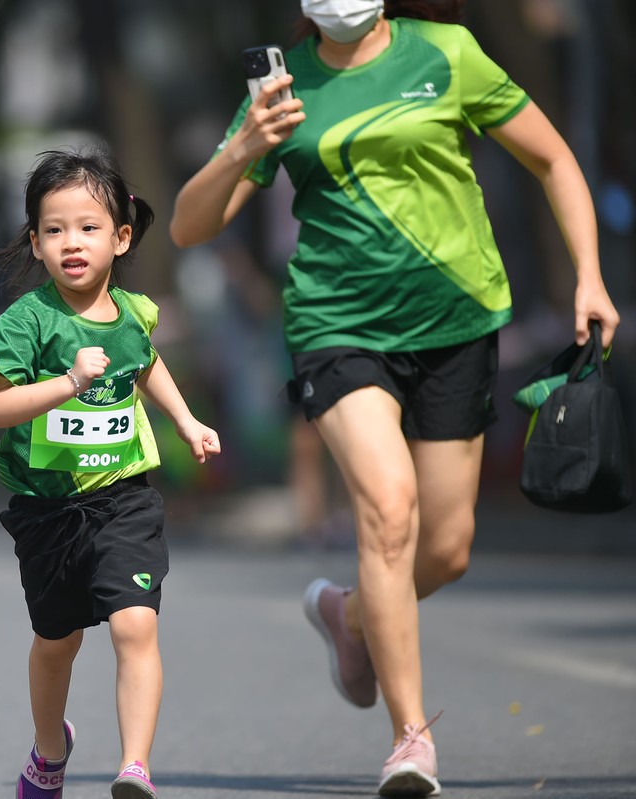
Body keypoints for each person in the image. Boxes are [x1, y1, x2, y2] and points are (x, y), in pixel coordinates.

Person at [168, 1, 620, 796]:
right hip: (336, 326)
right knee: (387, 508)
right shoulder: (282, 86)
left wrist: (588, 275)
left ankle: (349, 618)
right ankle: (411, 738)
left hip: (455, 321)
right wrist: (244, 145)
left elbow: (553, 161)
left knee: (445, 548)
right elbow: (186, 227)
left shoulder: (448, 53)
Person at [0, 146, 221, 799]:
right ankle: (50, 752)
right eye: (53, 230)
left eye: (87, 228)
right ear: (35, 243)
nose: (71, 243)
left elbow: (145, 364)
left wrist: (186, 420)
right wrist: (64, 383)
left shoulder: (137, 313)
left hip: (123, 499)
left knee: (135, 621)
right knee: (56, 641)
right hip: (47, 508)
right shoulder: (27, 322)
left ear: (120, 236)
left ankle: (134, 766)